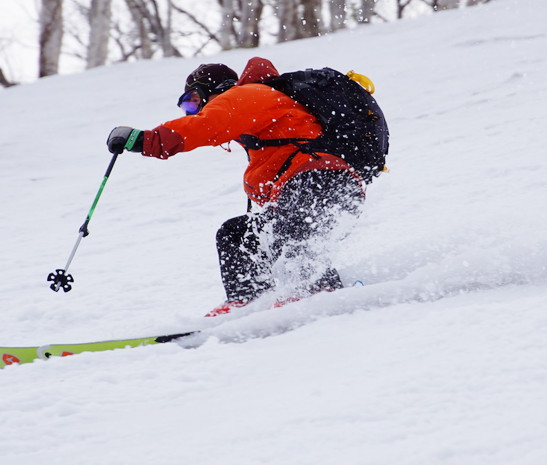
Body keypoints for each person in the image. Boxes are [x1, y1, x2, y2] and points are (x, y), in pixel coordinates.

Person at [106, 57, 387, 316]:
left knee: (286, 232)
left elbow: (204, 126)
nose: (193, 109)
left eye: (192, 101)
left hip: (320, 180)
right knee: (236, 234)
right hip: (326, 186)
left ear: (213, 91)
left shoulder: (247, 95)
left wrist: (144, 140)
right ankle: (247, 301)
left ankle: (318, 292)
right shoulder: (262, 112)